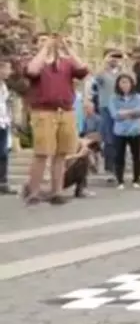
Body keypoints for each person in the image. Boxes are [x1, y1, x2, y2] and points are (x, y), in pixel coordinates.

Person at [23, 35, 89, 205]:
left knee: (61, 153)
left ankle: (57, 191)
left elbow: (82, 69)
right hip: (44, 111)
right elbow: (31, 71)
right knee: (42, 152)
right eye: (43, 40)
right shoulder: (36, 61)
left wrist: (67, 48)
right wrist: (45, 49)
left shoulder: (66, 64)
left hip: (65, 111)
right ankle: (33, 191)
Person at [108, 74, 140, 189]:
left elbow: (139, 111)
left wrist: (123, 112)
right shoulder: (113, 98)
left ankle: (136, 179)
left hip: (135, 130)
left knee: (136, 156)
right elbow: (115, 115)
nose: (125, 85)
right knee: (119, 156)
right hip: (120, 131)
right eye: (122, 82)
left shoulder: (138, 97)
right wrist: (130, 113)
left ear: (131, 84)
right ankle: (120, 180)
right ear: (118, 84)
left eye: (127, 82)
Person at [64, 134, 99, 199]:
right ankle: (81, 190)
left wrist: (91, 159)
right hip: (59, 178)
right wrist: (78, 155)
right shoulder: (72, 143)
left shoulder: (85, 149)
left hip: (64, 177)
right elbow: (62, 159)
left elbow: (94, 169)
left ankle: (82, 189)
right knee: (81, 163)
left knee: (83, 161)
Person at [0, 58, 13, 195]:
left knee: (3, 154)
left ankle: (3, 183)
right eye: (7, 69)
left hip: (4, 123)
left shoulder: (4, 87)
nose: (9, 72)